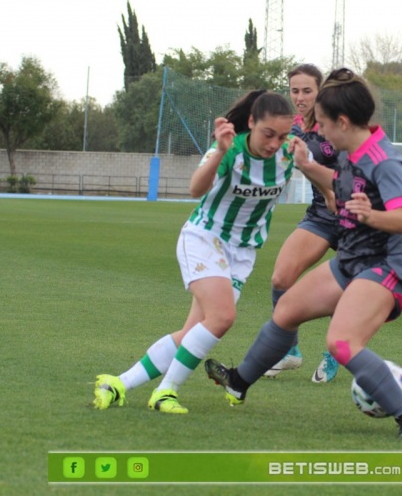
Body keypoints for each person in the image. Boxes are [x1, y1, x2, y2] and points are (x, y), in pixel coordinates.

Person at [203, 68, 402, 440]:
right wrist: (308, 165)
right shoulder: (350, 151)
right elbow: (338, 182)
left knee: (341, 343)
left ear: (342, 121)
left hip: (388, 266)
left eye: (323, 124)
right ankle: (239, 381)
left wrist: (369, 214)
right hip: (353, 261)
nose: (319, 131)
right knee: (287, 309)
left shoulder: (385, 161)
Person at [92, 90, 296, 414]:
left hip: (243, 253)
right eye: (268, 134)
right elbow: (196, 189)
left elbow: (323, 181)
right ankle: (165, 392)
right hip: (205, 238)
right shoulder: (230, 148)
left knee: (192, 332)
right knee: (222, 317)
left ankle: (117, 384)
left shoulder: (290, 154)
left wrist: (328, 191)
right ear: (252, 123)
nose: (274, 143)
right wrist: (219, 152)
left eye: (282, 135)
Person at [263, 64, 342, 384]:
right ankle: (289, 350)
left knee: (350, 290)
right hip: (321, 215)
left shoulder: (338, 123)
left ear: (320, 91)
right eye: (294, 90)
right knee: (281, 277)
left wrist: (330, 192)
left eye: (307, 90)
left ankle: (336, 352)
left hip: (359, 218)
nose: (300, 97)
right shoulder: (293, 128)